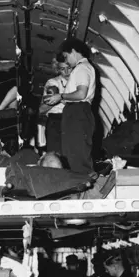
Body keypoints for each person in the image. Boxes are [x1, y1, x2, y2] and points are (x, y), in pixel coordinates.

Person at [44, 39, 96, 176]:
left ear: (73, 51)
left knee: (76, 155)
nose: (67, 61)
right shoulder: (83, 68)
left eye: (66, 56)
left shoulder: (81, 68)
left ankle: (82, 184)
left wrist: (60, 96)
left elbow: (81, 93)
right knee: (73, 153)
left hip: (77, 112)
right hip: (75, 112)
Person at [39, 58, 70, 153]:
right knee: (55, 153)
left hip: (73, 119)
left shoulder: (81, 83)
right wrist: (57, 98)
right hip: (56, 120)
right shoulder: (53, 83)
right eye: (62, 69)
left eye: (68, 68)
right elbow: (42, 109)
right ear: (58, 69)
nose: (66, 72)